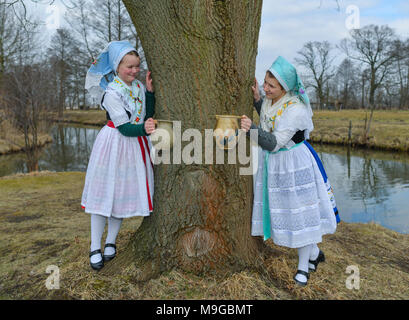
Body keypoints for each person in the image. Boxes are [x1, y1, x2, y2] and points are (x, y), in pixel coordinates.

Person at [240, 56, 338, 286]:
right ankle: (314, 253)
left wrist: (250, 130)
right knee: (287, 211)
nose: (265, 88)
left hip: (293, 163)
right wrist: (257, 100)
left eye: (270, 86)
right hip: (275, 165)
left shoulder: (296, 110)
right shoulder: (271, 100)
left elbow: (274, 141)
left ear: (285, 88)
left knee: (301, 213)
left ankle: (304, 266)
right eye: (265, 82)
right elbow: (269, 116)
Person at [82, 41, 156, 271]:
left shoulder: (138, 88)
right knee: (103, 195)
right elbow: (125, 127)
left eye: (137, 66)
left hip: (133, 147)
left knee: (120, 196)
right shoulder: (111, 92)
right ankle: (95, 246)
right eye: (129, 67)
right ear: (117, 67)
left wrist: (150, 93)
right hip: (113, 144)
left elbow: (146, 114)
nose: (134, 71)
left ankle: (111, 241)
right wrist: (144, 129)